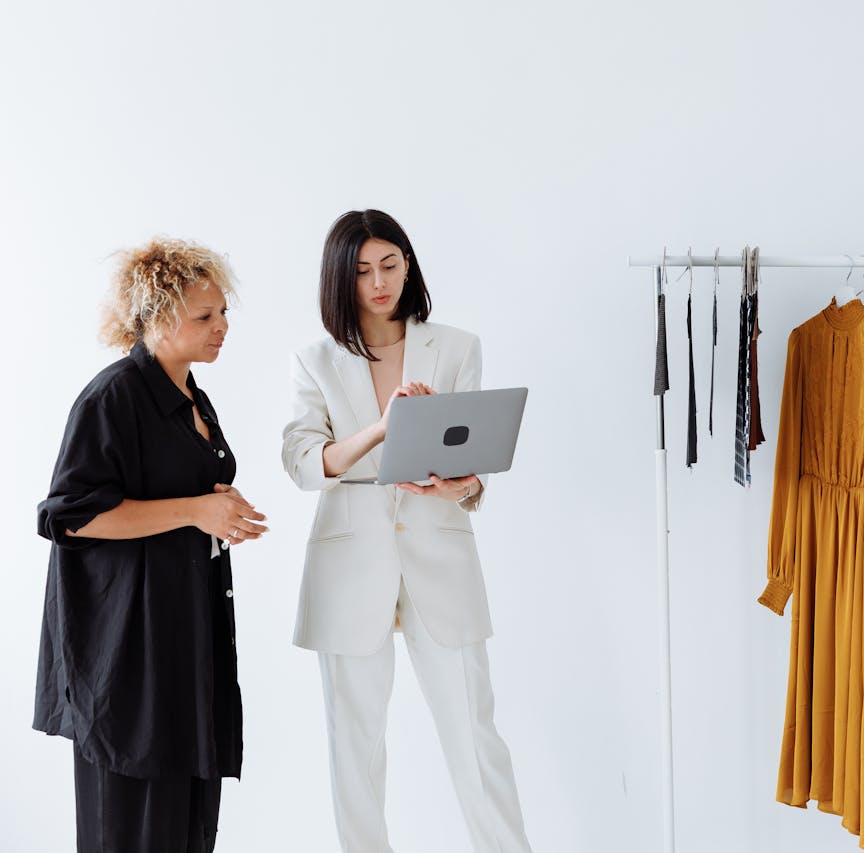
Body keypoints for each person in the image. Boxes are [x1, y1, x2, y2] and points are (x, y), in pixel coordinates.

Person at [282, 209, 532, 852]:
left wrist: (464, 484)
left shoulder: (455, 347)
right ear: (341, 279)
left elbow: (474, 456)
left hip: (439, 550)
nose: (379, 282)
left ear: (408, 263)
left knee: (475, 738)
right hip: (348, 561)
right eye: (362, 270)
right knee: (354, 745)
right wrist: (384, 426)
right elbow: (304, 462)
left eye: (390, 264)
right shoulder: (316, 360)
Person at [34, 238, 268, 852]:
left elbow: (169, 492)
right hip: (128, 655)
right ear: (159, 317)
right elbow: (71, 517)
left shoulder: (191, 396)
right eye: (204, 317)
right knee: (132, 828)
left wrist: (216, 504)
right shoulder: (113, 397)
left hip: (184, 641)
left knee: (186, 826)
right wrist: (196, 508)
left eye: (223, 313)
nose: (222, 327)